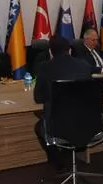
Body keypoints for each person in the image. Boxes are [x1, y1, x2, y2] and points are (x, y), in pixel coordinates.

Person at [33, 36, 93, 168]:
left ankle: (58, 161)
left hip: (58, 125)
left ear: (50, 52)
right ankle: (67, 156)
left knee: (39, 127)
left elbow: (38, 98)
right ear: (69, 50)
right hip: (87, 123)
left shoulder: (45, 67)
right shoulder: (84, 65)